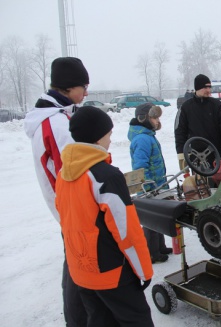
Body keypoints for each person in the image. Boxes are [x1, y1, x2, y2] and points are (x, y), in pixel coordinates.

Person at [55, 106, 154, 326]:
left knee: (100, 320)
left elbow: (65, 219)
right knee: (137, 319)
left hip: (81, 271)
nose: (110, 140)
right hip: (112, 273)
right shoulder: (105, 176)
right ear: (98, 137)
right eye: (109, 134)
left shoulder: (64, 174)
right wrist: (144, 271)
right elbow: (126, 232)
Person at [24, 57, 89, 326]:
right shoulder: (56, 124)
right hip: (72, 208)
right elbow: (73, 171)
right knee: (79, 270)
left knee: (76, 265)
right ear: (68, 87)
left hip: (67, 208)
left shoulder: (55, 118)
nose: (86, 92)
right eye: (83, 86)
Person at [128, 102, 172, 263]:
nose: (157, 121)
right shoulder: (142, 139)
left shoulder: (147, 136)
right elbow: (140, 166)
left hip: (157, 185)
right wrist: (146, 186)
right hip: (149, 188)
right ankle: (151, 253)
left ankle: (160, 246)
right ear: (144, 119)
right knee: (151, 221)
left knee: (157, 218)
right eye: (154, 118)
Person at [175, 74, 221, 170]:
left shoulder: (217, 105)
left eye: (209, 87)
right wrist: (182, 156)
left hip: (217, 155)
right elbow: (180, 132)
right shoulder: (186, 107)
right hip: (196, 157)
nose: (208, 90)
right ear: (197, 88)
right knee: (200, 184)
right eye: (205, 87)